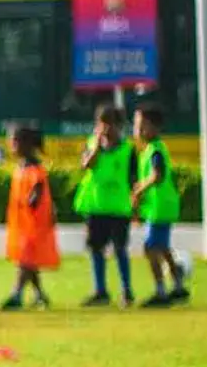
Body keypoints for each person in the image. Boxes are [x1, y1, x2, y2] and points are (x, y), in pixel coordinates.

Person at [75, 105, 136, 307]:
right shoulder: (92, 145)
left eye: (110, 124)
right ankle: (100, 291)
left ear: (119, 126)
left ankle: (126, 291)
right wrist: (97, 149)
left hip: (118, 207)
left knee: (120, 249)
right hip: (96, 206)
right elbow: (86, 165)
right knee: (96, 248)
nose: (106, 129)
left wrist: (136, 204)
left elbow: (133, 178)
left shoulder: (128, 149)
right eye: (101, 123)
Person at [131, 105, 187, 307]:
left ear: (154, 127)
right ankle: (179, 287)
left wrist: (139, 189)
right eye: (136, 125)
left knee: (150, 248)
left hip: (161, 206)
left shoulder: (155, 149)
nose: (137, 130)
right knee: (162, 247)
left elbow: (157, 175)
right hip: (159, 205)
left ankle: (161, 292)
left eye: (141, 125)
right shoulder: (147, 151)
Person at [1, 125, 58, 311]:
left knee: (25, 260)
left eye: (15, 141)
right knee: (29, 260)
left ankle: (16, 294)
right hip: (22, 223)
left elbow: (37, 190)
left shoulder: (35, 168)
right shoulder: (21, 167)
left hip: (34, 223)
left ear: (26, 144)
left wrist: (31, 201)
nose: (11, 145)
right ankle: (40, 295)